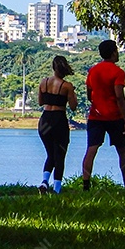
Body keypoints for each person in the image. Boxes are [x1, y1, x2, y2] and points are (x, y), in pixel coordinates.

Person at [83, 40, 125, 189]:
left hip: (96, 116)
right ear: (113, 52)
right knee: (122, 150)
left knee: (91, 149)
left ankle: (86, 184)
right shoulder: (118, 72)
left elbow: (89, 93)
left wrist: (97, 102)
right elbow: (119, 96)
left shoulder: (93, 70)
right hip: (114, 116)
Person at [37, 55, 77, 194]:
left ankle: (44, 181)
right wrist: (72, 94)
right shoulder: (67, 86)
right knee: (60, 155)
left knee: (50, 154)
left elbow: (40, 102)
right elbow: (73, 106)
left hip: (44, 121)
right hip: (59, 120)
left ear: (53, 67)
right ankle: (57, 188)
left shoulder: (44, 82)